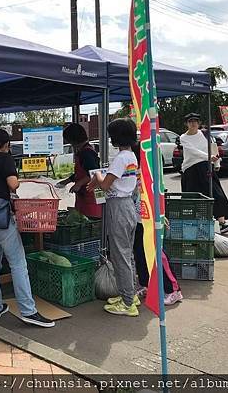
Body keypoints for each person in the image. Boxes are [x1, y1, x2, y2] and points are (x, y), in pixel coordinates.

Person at [0, 128, 54, 327]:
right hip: (2, 219)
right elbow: (13, 184)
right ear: (5, 145)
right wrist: (16, 180)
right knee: (18, 263)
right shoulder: (5, 159)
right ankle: (28, 311)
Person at [88, 118, 139, 317]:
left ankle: (127, 303)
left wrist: (98, 176)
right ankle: (130, 294)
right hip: (128, 206)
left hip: (118, 207)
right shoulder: (131, 156)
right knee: (127, 254)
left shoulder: (120, 159)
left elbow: (105, 185)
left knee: (120, 255)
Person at [131, 144, 183, 306]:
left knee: (157, 255)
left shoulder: (152, 173)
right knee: (140, 252)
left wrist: (160, 215)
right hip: (138, 218)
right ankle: (146, 284)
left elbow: (157, 193)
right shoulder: (136, 172)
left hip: (151, 219)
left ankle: (174, 290)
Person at [180, 112, 228, 234]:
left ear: (199, 123)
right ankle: (195, 227)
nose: (193, 123)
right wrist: (209, 157)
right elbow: (193, 151)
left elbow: (213, 148)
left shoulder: (204, 134)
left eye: (195, 121)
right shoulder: (183, 137)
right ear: (186, 124)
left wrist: (216, 164)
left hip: (205, 167)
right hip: (190, 170)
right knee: (194, 198)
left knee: (216, 193)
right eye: (190, 121)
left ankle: (222, 223)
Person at [56, 123, 102, 218]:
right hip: (86, 196)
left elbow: (94, 173)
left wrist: (78, 184)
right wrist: (67, 181)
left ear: (73, 139)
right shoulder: (84, 151)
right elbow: (82, 172)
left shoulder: (86, 153)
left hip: (92, 199)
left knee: (90, 225)